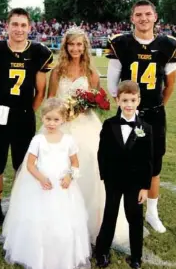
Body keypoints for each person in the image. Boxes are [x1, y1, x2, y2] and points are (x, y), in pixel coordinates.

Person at [48, 26, 129, 246]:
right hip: (62, 125)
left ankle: (90, 223)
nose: (75, 48)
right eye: (71, 44)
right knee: (57, 169)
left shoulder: (91, 73)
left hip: (86, 126)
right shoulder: (57, 72)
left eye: (79, 44)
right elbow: (50, 101)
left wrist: (85, 105)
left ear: (85, 47)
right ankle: (57, 222)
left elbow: (97, 99)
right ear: (65, 47)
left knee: (91, 168)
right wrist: (62, 112)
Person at [106, 0, 176, 233]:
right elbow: (112, 83)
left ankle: (152, 212)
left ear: (155, 17)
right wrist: (127, 108)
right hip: (127, 113)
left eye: (148, 14)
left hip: (154, 114)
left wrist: (156, 106)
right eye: (138, 14)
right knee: (122, 161)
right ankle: (120, 210)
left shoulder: (168, 44)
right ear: (132, 18)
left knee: (153, 164)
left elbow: (169, 83)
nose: (143, 18)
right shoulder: (121, 43)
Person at [0, 8, 53, 231]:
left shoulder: (39, 52)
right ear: (7, 26)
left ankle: (22, 209)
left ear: (29, 27)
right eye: (15, 24)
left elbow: (41, 91)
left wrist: (25, 111)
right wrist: (0, 108)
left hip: (23, 116)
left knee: (23, 166)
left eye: (23, 25)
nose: (19, 29)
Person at [3, 98, 91, 269]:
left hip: (63, 187)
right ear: (42, 118)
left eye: (56, 120)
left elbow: (75, 163)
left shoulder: (68, 140)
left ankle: (59, 255)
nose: (51, 123)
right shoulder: (38, 140)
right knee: (37, 220)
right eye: (48, 119)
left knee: (62, 221)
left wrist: (69, 176)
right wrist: (41, 178)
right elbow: (30, 165)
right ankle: (36, 255)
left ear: (63, 120)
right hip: (40, 186)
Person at [95, 80, 153, 269]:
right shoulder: (109, 124)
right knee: (109, 214)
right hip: (113, 180)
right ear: (118, 101)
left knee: (134, 216)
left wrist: (145, 187)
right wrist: (105, 176)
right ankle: (102, 252)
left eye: (132, 100)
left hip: (135, 183)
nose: (129, 104)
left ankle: (136, 256)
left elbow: (148, 160)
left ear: (139, 101)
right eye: (125, 100)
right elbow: (102, 153)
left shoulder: (146, 128)